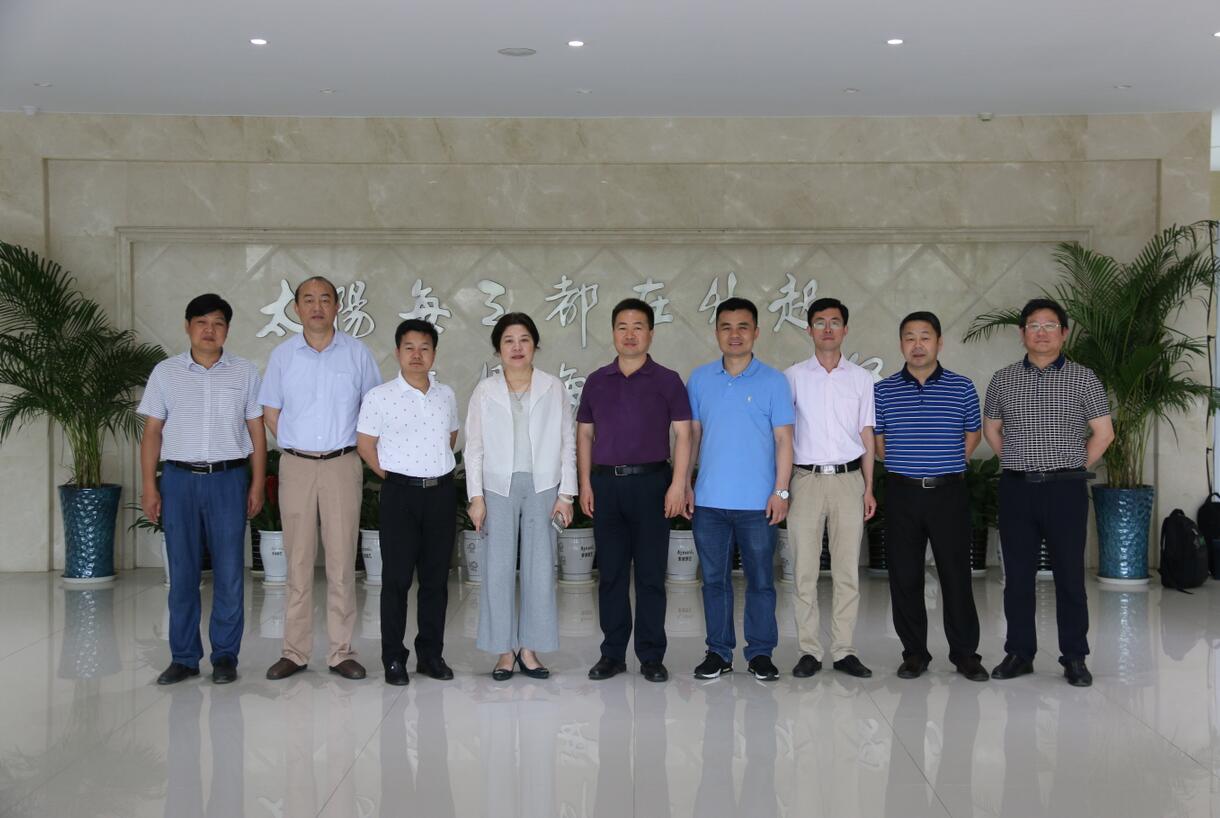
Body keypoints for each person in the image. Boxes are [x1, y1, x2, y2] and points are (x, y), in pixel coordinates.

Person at [983, 298, 1114, 687]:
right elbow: (992, 429)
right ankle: (1019, 653)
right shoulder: (1003, 379)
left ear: (1064, 333)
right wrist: (1018, 460)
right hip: (1017, 490)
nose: (1041, 333)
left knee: (1070, 577)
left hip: (1065, 491)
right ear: (1022, 333)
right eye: (1034, 326)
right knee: (1017, 578)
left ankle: (1074, 657)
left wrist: (1072, 466)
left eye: (1050, 326)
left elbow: (1104, 433)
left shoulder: (1084, 378)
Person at [139, 293, 266, 685]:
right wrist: (150, 487)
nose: (210, 330)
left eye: (218, 323)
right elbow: (152, 432)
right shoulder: (165, 373)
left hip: (228, 479)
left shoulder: (245, 372)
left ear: (227, 329)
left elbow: (257, 432)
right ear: (188, 326)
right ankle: (184, 657)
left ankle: (225, 656)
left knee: (229, 572)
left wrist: (257, 483)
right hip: (178, 481)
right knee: (182, 572)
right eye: (201, 322)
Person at [259, 276, 382, 681]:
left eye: (324, 299)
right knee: (297, 560)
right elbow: (271, 412)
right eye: (308, 300)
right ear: (296, 308)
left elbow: (373, 411)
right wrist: (293, 444)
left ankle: (341, 652)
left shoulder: (357, 354)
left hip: (342, 464)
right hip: (295, 465)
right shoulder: (282, 356)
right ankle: (294, 652)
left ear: (337, 307)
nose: (317, 307)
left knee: (342, 561)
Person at [577, 298, 692, 683]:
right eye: (622, 327)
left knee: (650, 575)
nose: (630, 334)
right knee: (610, 574)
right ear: (613, 333)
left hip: (652, 484)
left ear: (651, 333)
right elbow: (584, 435)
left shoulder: (668, 380)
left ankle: (651, 655)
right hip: (606, 486)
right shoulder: (597, 381)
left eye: (638, 327)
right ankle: (612, 654)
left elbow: (683, 434)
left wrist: (678, 484)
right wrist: (585, 483)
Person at [874, 311, 988, 681]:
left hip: (947, 493)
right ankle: (914, 654)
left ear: (939, 342)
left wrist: (945, 463)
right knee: (904, 576)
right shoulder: (883, 390)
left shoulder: (962, 387)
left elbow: (972, 435)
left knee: (956, 575)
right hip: (902, 492)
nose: (917, 344)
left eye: (925, 337)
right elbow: (879, 443)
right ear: (901, 344)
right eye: (909, 337)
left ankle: (965, 654)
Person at [684, 298, 793, 681]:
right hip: (709, 502)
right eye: (726, 327)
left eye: (743, 327)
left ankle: (760, 653)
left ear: (756, 332)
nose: (735, 334)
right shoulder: (699, 379)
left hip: (758, 504)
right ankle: (719, 652)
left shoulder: (774, 381)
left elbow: (784, 440)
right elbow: (692, 437)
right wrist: (685, 484)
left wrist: (781, 491)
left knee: (761, 581)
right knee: (714, 581)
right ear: (716, 333)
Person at [464, 313, 577, 680]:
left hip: (543, 485)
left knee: (540, 569)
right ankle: (503, 651)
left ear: (535, 346)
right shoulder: (485, 391)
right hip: (497, 488)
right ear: (498, 348)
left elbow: (567, 442)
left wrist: (567, 495)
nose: (517, 347)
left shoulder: (553, 387)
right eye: (509, 340)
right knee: (497, 569)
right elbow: (474, 447)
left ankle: (529, 649)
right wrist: (476, 497)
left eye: (524, 339)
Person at [357, 319, 459, 685]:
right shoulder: (379, 396)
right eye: (409, 348)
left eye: (425, 348)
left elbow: (451, 436)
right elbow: (365, 445)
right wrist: (396, 476)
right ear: (398, 352)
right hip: (400, 494)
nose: (417, 355)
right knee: (396, 580)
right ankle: (393, 658)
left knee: (435, 581)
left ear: (434, 353)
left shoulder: (446, 395)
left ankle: (431, 656)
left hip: (441, 493)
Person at [784, 297, 876, 679]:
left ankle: (843, 650)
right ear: (809, 330)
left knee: (846, 571)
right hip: (804, 481)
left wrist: (869, 488)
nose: (827, 328)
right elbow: (783, 438)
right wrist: (781, 489)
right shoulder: (791, 377)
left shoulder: (861, 379)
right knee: (803, 571)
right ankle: (809, 650)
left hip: (848, 480)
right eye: (819, 322)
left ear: (845, 329)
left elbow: (866, 434)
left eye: (834, 322)